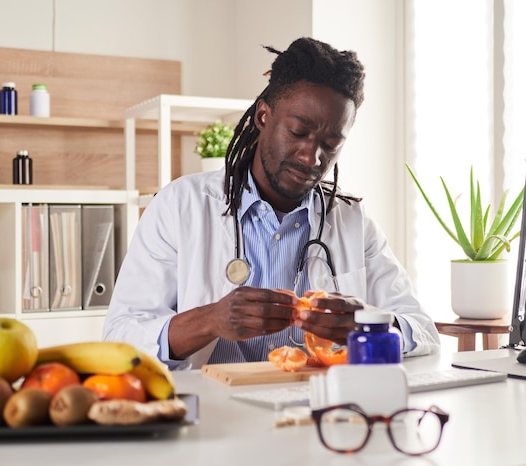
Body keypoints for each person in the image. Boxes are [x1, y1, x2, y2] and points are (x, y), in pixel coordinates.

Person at [104, 37, 440, 369]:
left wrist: (365, 325)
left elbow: (422, 331)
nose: (312, 156)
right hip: (216, 414)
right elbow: (120, 339)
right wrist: (209, 321)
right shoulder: (179, 206)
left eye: (331, 143)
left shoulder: (352, 221)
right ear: (263, 117)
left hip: (318, 410)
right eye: (297, 133)